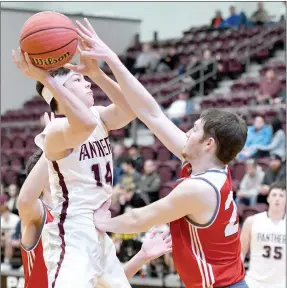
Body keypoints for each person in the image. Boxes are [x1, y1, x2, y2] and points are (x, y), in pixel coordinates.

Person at [76, 18, 249, 287]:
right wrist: (106, 63)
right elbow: (151, 113)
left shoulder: (200, 189)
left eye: (194, 129)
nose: (187, 133)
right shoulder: (211, 166)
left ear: (208, 144)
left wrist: (96, 222)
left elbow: (139, 218)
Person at [12, 38, 137, 287]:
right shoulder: (58, 130)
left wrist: (97, 72)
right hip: (73, 235)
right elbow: (84, 126)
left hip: (99, 231)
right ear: (63, 92)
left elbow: (130, 109)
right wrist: (46, 78)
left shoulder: (97, 115)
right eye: (78, 80)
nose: (87, 83)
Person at [16, 124, 173, 287]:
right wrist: (52, 145)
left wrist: (143, 256)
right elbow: (25, 200)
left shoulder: (83, 218)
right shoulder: (39, 213)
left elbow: (106, 282)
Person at [240, 182, 286, 288]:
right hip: (253, 282)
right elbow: (241, 253)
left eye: (281, 195)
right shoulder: (252, 221)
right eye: (274, 195)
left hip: (281, 284)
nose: (277, 198)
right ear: (268, 198)